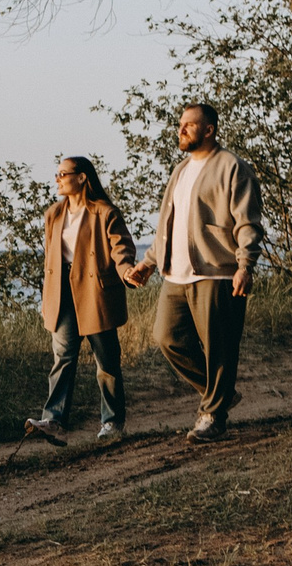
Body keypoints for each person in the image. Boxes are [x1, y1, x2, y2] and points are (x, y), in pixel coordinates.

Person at [129, 102, 264, 440]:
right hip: (175, 275)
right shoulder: (181, 170)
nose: (181, 130)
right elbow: (168, 224)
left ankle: (212, 415)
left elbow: (247, 222)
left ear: (209, 130)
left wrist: (245, 265)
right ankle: (221, 393)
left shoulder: (232, 167)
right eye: (180, 124)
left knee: (219, 348)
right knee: (167, 338)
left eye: (189, 124)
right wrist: (149, 262)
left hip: (217, 272)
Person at [25, 155, 145, 447]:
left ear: (81, 177)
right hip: (61, 292)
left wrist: (127, 270)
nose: (57, 179)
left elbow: (120, 247)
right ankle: (54, 422)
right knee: (63, 356)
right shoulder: (53, 213)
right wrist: (46, 299)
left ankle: (112, 422)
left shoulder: (105, 212)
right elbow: (50, 260)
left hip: (94, 292)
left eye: (63, 174)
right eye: (57, 174)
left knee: (106, 360)